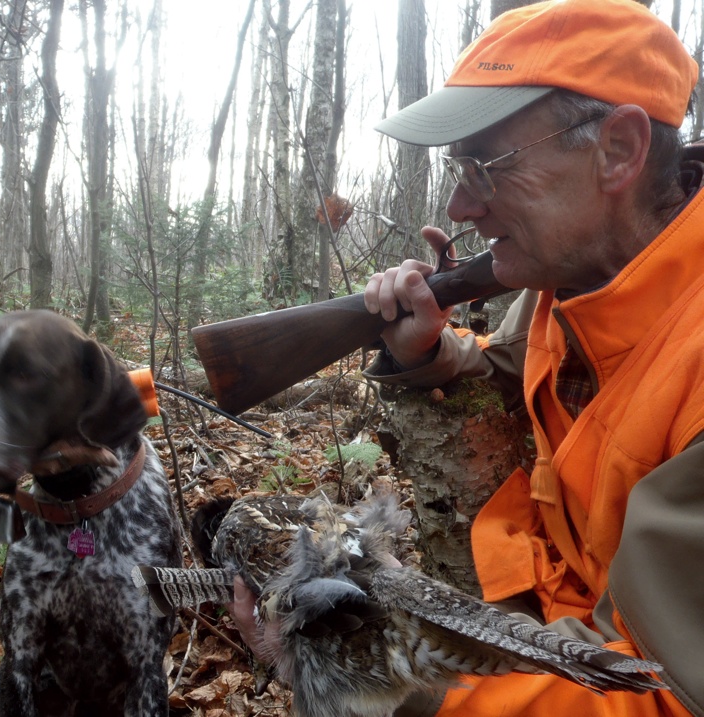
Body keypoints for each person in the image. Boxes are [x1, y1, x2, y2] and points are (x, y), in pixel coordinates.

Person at [231, 0, 704, 714]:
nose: (458, 205)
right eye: (461, 168)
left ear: (620, 150)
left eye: (487, 165)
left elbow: (659, 691)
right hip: (531, 620)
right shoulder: (571, 276)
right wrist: (438, 352)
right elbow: (547, 372)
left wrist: (382, 685)